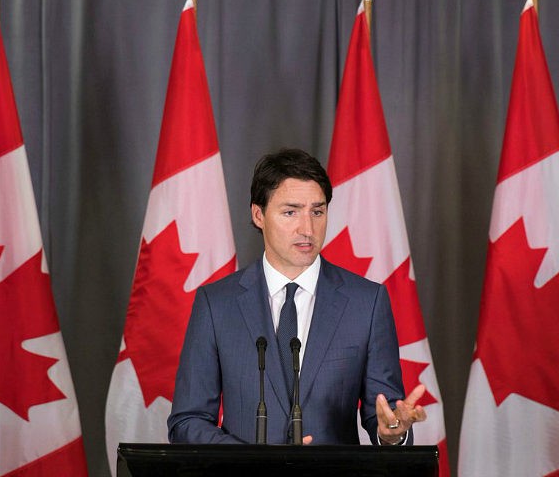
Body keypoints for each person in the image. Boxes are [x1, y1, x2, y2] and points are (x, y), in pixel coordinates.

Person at [167, 148, 426, 446]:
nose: (307, 229)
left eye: (317, 212)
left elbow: (383, 413)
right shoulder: (216, 304)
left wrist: (392, 431)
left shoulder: (366, 303)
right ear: (258, 214)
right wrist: (249, 463)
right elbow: (187, 420)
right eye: (290, 212)